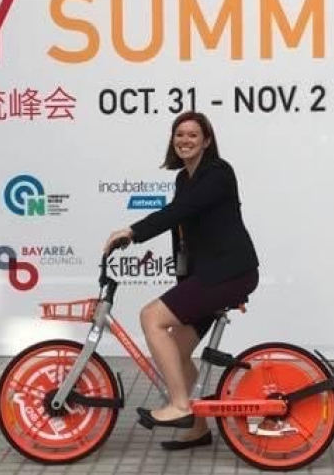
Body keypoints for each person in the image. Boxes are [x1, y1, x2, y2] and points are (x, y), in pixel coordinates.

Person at [103, 111, 259, 450]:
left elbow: (177, 213)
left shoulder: (218, 173)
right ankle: (198, 429)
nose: (184, 140)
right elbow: (183, 234)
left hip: (230, 271)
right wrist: (183, 284)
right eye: (179, 134)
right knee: (177, 347)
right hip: (210, 274)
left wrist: (132, 232)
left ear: (206, 141)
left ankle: (180, 405)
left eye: (192, 135)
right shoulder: (184, 179)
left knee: (150, 317)